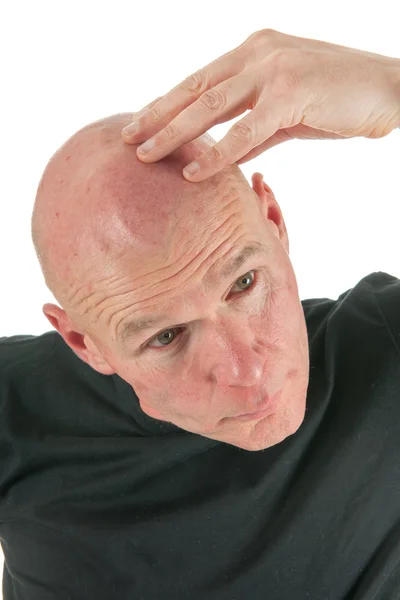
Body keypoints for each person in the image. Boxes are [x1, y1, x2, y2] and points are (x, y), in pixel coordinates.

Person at [0, 29, 399, 599]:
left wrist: (393, 87)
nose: (247, 370)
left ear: (274, 220)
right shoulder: (17, 411)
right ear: (84, 343)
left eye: (244, 283)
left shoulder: (385, 344)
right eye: (165, 336)